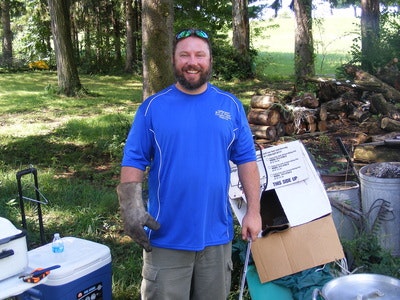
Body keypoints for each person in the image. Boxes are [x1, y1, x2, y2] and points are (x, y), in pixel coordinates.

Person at [117, 28, 262, 300]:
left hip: (216, 237)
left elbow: (246, 160)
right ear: (173, 59)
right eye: (184, 54)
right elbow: (134, 159)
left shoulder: (230, 106)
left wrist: (253, 211)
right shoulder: (153, 108)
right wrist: (131, 207)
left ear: (209, 61)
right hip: (165, 238)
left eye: (199, 55)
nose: (191, 61)